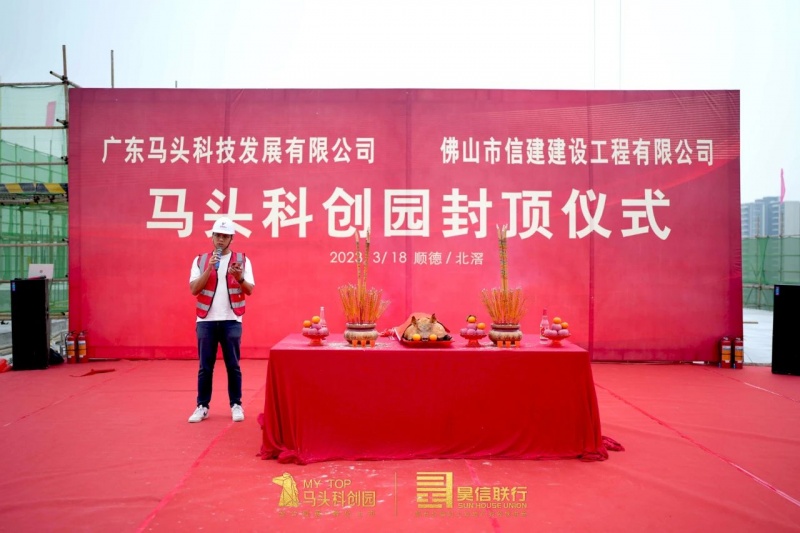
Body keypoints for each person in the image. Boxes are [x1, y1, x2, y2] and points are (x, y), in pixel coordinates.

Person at [188, 216, 255, 423]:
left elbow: (250, 290)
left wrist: (239, 277)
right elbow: (194, 289)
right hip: (206, 321)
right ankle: (202, 406)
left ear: (231, 239)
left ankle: (236, 404)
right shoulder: (200, 260)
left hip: (231, 320)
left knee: (233, 365)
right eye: (217, 235)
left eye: (225, 236)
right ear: (212, 237)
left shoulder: (242, 260)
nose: (220, 239)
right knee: (205, 367)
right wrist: (210, 268)